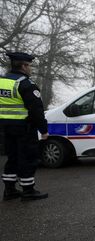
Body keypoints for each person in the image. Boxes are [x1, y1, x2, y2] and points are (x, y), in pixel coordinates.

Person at [1, 52, 49, 201]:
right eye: (30, 66)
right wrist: (44, 130)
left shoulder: (2, 82)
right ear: (24, 66)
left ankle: (9, 190)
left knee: (12, 157)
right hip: (24, 128)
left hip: (4, 128)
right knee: (28, 158)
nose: (31, 69)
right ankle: (28, 190)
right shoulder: (26, 84)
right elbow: (36, 111)